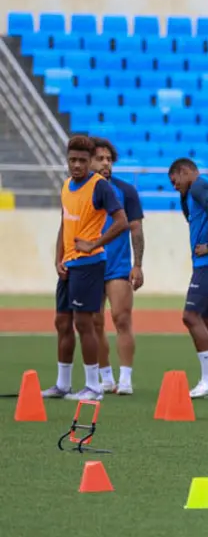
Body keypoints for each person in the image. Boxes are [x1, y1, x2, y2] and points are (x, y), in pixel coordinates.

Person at [44, 135, 129, 401]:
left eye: (82, 160)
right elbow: (64, 223)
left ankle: (93, 387)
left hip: (90, 264)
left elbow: (121, 222)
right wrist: (59, 257)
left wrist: (94, 244)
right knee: (62, 323)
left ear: (91, 161)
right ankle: (62, 384)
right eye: (73, 160)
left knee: (84, 323)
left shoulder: (100, 186)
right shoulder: (67, 185)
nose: (77, 165)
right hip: (68, 265)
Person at [167, 159, 208, 399]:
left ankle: (207, 380)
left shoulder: (197, 186)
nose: (175, 187)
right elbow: (202, 213)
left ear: (185, 172)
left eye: (175, 181)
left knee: (190, 316)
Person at [89, 137, 144, 395]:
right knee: (93, 322)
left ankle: (125, 379)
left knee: (121, 318)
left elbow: (136, 229)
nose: (105, 163)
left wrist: (138, 264)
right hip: (88, 264)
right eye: (100, 158)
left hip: (118, 266)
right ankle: (106, 377)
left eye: (109, 159)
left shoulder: (126, 191)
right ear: (89, 162)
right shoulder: (79, 191)